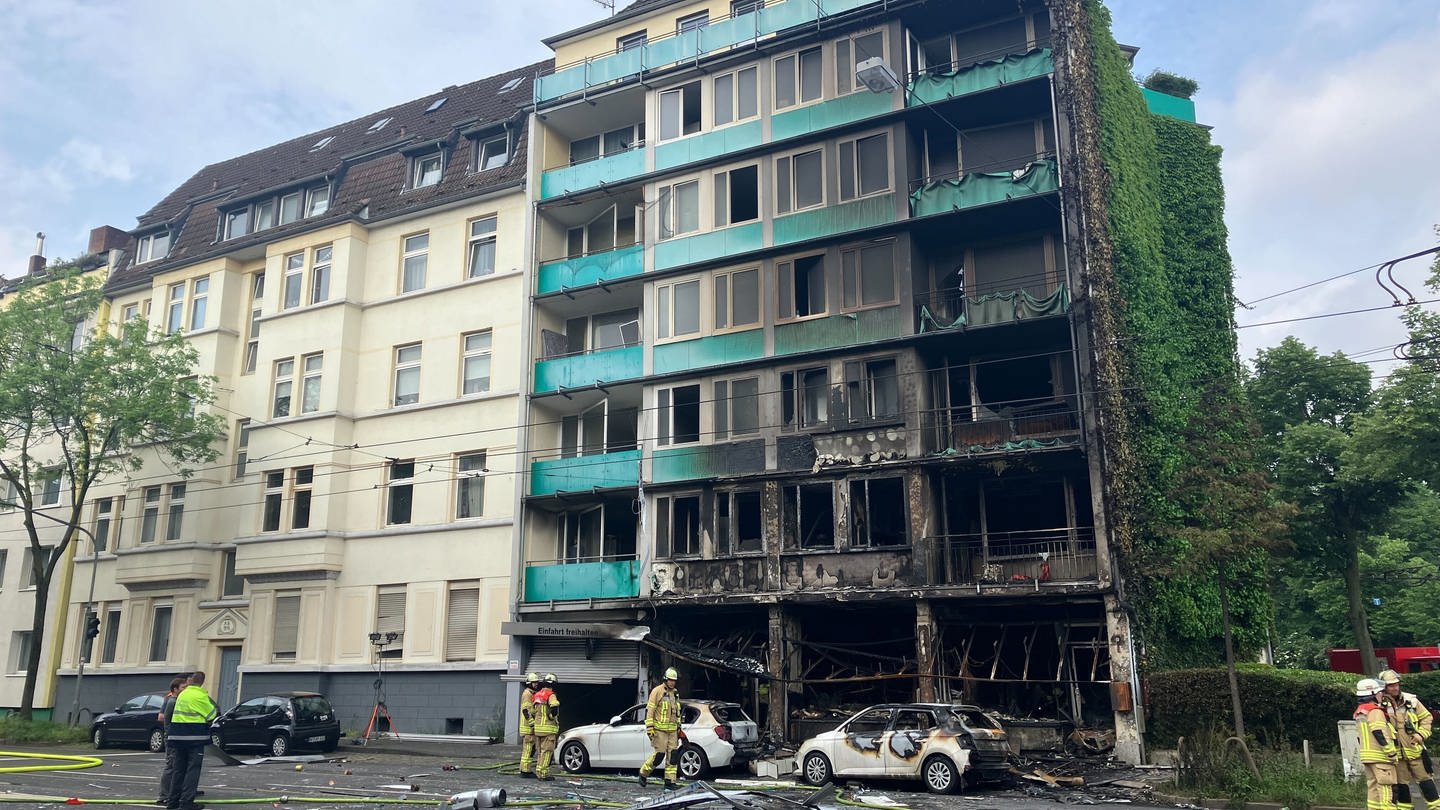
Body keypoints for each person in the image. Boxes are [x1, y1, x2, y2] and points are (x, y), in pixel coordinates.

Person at [1379, 669, 1440, 810]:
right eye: (1391, 685)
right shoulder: (1380, 704)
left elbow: (1427, 717)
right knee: (1402, 785)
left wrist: (1420, 734)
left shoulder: (1410, 700)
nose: (1395, 688)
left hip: (1415, 751)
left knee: (1426, 781)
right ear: (1384, 687)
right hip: (1396, 755)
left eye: (1396, 684)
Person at [163, 671, 217, 810]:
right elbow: (212, 714)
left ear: (191, 681)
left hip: (177, 737)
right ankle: (186, 802)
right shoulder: (200, 695)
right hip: (194, 738)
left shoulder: (183, 694)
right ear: (202, 682)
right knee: (193, 769)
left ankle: (172, 801)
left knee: (178, 769)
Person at [1355, 677, 1401, 810]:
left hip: (1368, 757)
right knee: (1388, 789)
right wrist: (1390, 752)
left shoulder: (1360, 711)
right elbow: (1379, 732)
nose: (1382, 695)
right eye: (1380, 692)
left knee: (1373, 789)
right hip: (1381, 757)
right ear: (1373, 694)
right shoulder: (1375, 711)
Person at [639, 667, 682, 790]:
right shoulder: (657, 691)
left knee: (673, 757)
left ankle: (670, 782)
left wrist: (679, 728)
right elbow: (650, 710)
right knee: (659, 755)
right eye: (670, 680)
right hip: (660, 730)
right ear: (665, 679)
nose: (672, 682)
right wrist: (650, 728)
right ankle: (643, 773)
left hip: (673, 731)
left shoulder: (675, 693)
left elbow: (677, 712)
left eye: (674, 680)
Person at [156, 675, 188, 804]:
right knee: (171, 766)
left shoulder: (176, 701)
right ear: (175, 689)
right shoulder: (172, 702)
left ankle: (172, 793)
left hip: (175, 738)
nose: (185, 690)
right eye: (183, 687)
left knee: (176, 766)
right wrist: (171, 738)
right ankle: (164, 795)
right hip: (172, 739)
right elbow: (166, 720)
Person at [531, 674, 560, 782]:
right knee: (547, 751)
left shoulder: (537, 695)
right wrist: (552, 716)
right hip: (548, 728)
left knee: (540, 752)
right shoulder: (551, 695)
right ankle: (543, 774)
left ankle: (539, 771)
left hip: (538, 729)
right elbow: (554, 706)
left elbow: (533, 712)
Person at [518, 672, 540, 779]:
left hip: (529, 728)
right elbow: (526, 710)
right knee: (528, 750)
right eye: (534, 682)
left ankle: (524, 769)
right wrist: (532, 724)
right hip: (528, 728)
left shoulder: (531, 693)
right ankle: (525, 771)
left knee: (530, 750)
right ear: (529, 683)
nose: (536, 684)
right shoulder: (527, 694)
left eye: (536, 682)